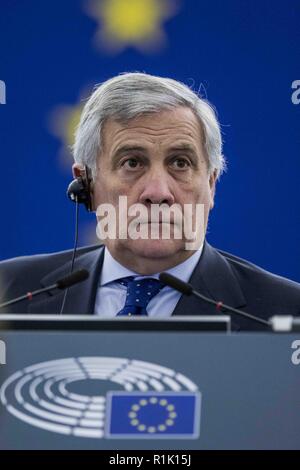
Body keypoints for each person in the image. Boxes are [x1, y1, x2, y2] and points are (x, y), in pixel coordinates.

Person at [0, 72, 299, 330]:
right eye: (132, 163)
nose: (157, 192)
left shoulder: (286, 314)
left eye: (180, 163)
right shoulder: (9, 292)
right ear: (86, 184)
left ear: (211, 184)